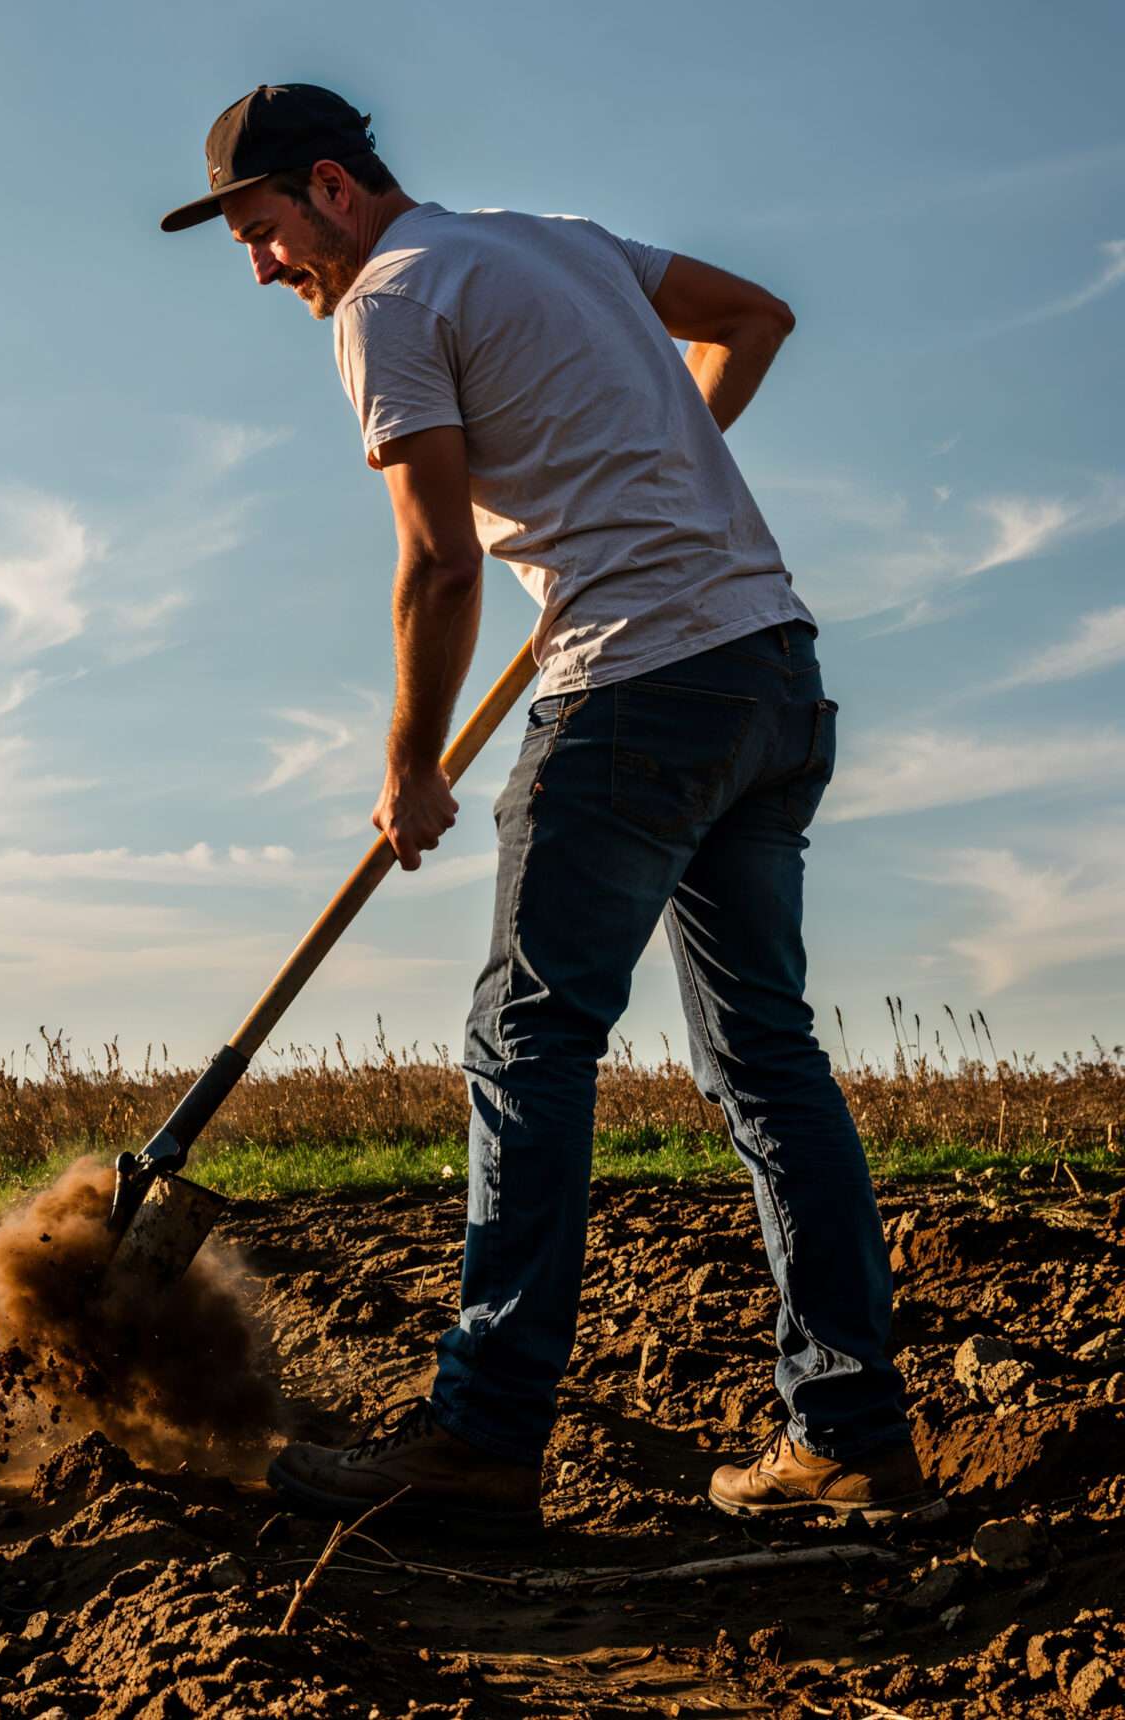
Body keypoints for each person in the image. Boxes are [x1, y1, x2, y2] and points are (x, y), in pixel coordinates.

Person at [160, 86, 938, 1530]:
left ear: (330, 186)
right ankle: (851, 1437)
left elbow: (442, 561)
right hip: (770, 674)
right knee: (769, 1062)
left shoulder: (387, 301)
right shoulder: (557, 242)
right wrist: (652, 469)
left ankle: (481, 1440)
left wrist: (412, 763)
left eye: (262, 231)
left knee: (526, 1044)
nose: (261, 268)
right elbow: (755, 317)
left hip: (636, 691)